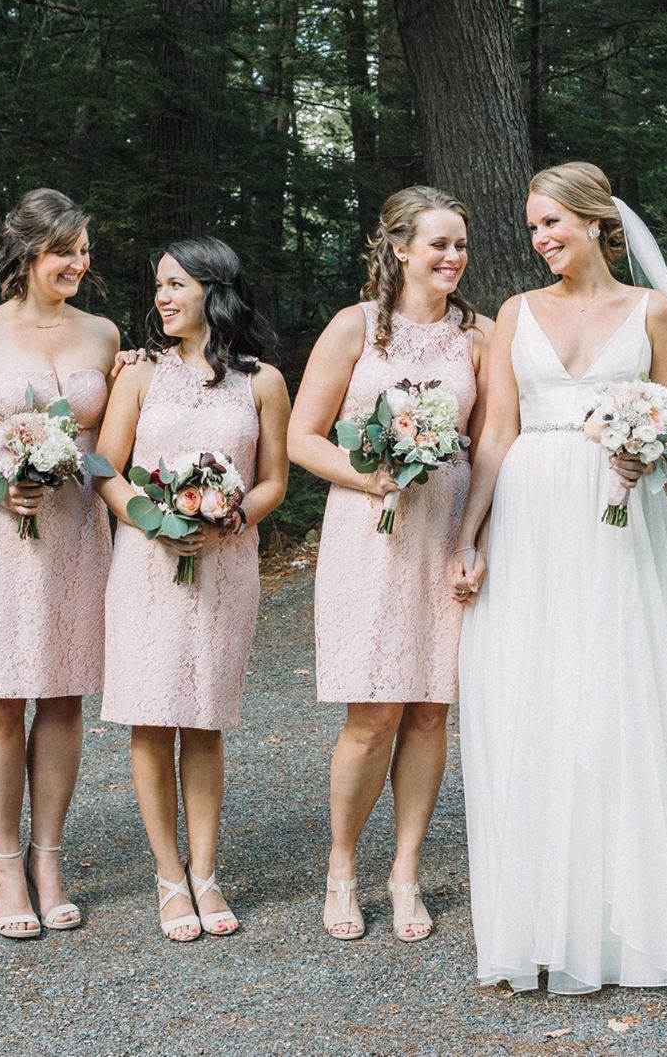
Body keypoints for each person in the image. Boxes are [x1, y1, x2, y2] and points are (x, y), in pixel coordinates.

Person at [449, 161, 667, 993]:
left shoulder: (651, 313)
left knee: (626, 691)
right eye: (532, 227)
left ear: (595, 222)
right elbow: (497, 431)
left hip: (624, 515)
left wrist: (651, 463)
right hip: (534, 516)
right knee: (542, 695)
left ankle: (645, 920)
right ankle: (546, 918)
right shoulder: (513, 313)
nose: (540, 240)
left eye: (552, 223)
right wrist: (470, 536)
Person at [289, 187, 490, 942]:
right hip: (369, 529)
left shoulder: (482, 335)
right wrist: (368, 473)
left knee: (432, 707)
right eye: (438, 244)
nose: (452, 258)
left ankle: (405, 870)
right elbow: (304, 437)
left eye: (461, 246)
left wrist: (477, 538)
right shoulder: (356, 329)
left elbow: (492, 440)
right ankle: (342, 867)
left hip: (445, 528)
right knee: (372, 711)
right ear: (400, 247)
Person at [0, 189, 119, 939]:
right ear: (29, 254)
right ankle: (5, 862)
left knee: (65, 693)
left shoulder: (103, 335)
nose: (79, 261)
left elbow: (113, 428)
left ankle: (48, 856)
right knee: (2, 697)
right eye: (66, 248)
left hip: (73, 528)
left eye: (85, 248)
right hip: (0, 531)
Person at [97, 237, 290, 942]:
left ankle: (207, 872)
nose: (163, 297)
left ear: (214, 288)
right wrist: (151, 519)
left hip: (225, 559)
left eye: (176, 283)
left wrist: (233, 515)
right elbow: (105, 467)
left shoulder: (261, 380)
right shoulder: (141, 374)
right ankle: (168, 876)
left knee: (204, 717)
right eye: (159, 285)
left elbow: (274, 479)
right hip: (147, 562)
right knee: (152, 716)